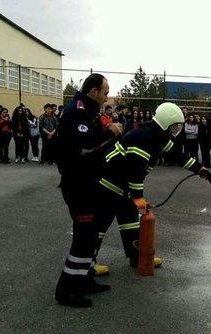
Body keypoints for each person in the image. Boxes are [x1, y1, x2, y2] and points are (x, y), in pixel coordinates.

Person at [93, 102, 210, 275]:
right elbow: (135, 172)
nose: (176, 130)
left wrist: (199, 168)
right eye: (174, 126)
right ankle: (87, 263)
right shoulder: (142, 137)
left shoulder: (159, 138)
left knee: (131, 223)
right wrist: (138, 197)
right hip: (109, 186)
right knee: (99, 226)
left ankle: (137, 258)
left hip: (123, 188)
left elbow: (178, 156)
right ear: (164, 123)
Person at [54, 74, 123, 308]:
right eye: (105, 92)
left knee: (91, 234)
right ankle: (66, 290)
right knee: (84, 237)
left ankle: (84, 279)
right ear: (93, 91)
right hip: (78, 184)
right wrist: (110, 132)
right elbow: (85, 148)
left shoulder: (89, 111)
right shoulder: (78, 111)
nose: (106, 97)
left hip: (89, 182)